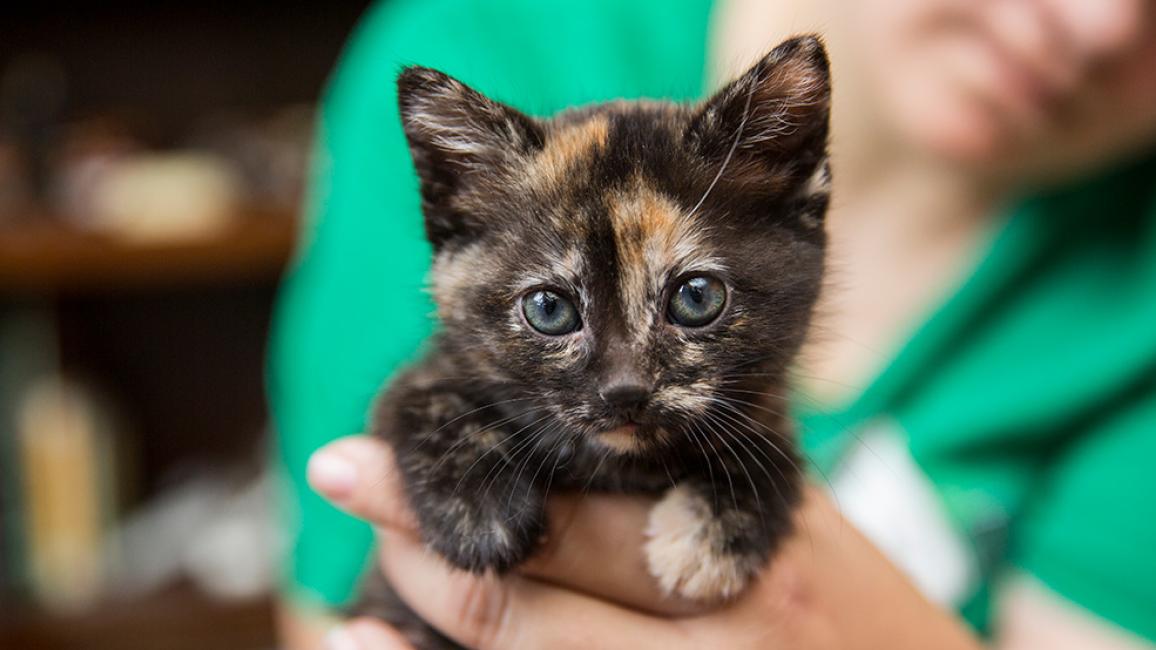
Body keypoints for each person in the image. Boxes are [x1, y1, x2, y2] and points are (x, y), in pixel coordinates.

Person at [271, 0, 1156, 648]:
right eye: (551, 310)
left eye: (694, 301)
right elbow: (335, 598)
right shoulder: (493, 28)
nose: (1105, 22)